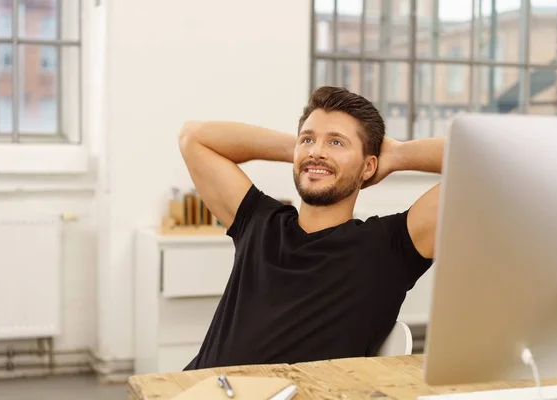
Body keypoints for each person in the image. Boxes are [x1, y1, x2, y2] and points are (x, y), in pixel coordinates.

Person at [178, 86, 443, 371]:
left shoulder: (392, 246)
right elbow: (193, 137)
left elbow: (488, 159)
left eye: (337, 143)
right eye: (308, 139)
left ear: (369, 167)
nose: (317, 152)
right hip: (200, 388)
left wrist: (399, 155)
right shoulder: (259, 221)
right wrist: (302, 152)